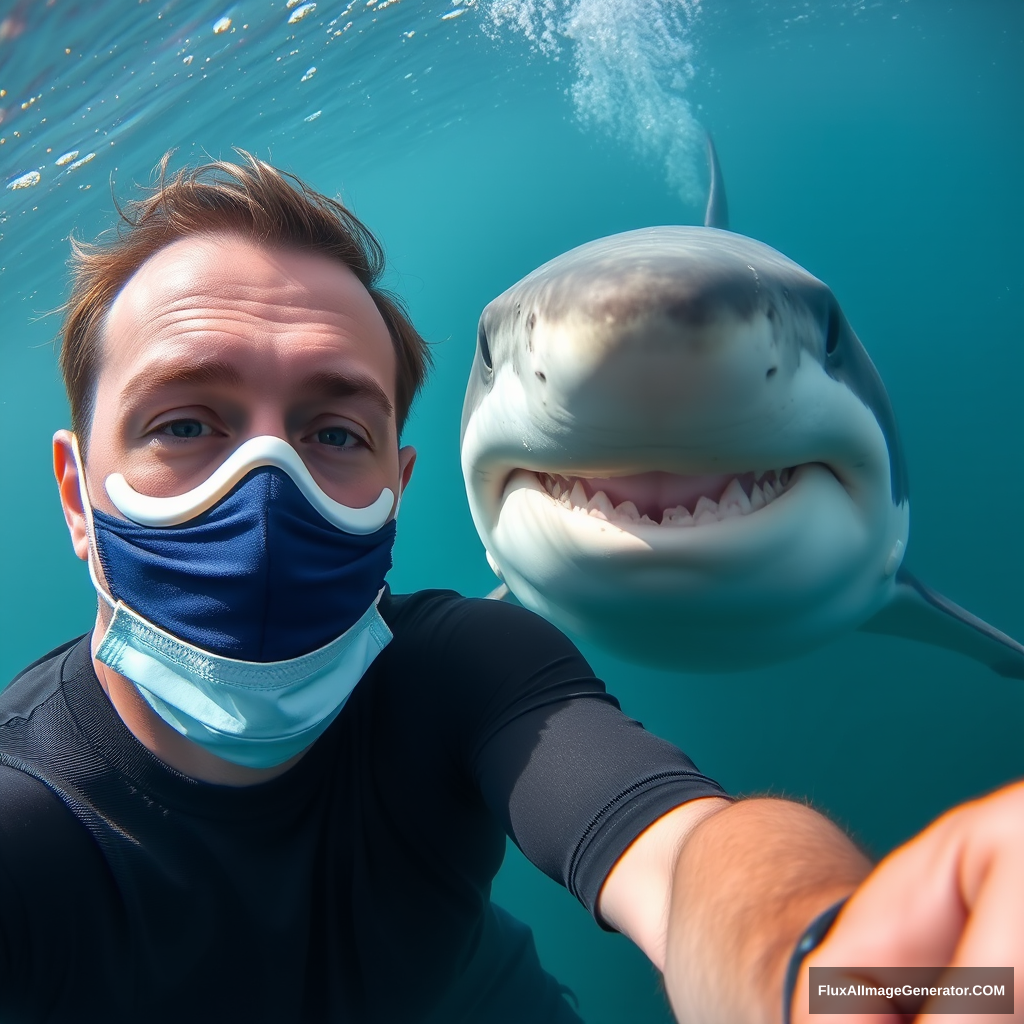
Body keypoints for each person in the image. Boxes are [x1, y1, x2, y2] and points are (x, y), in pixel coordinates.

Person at [0, 153, 1019, 1024]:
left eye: (333, 433)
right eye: (185, 424)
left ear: (399, 486)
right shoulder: (26, 818)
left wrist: (842, 976)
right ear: (77, 493)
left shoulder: (461, 668)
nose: (265, 487)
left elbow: (686, 850)